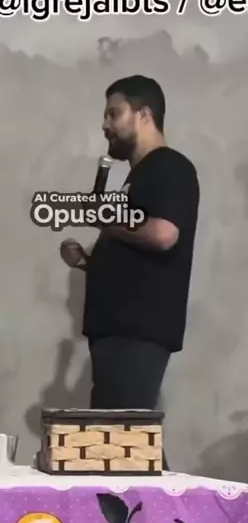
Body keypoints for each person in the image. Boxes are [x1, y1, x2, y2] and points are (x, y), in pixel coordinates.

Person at [60, 75, 200, 417]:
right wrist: (87, 262)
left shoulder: (169, 166)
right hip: (117, 333)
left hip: (135, 334)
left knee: (121, 439)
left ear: (144, 115)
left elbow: (163, 234)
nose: (105, 125)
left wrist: (105, 219)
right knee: (115, 439)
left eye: (114, 113)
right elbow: (134, 253)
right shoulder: (138, 177)